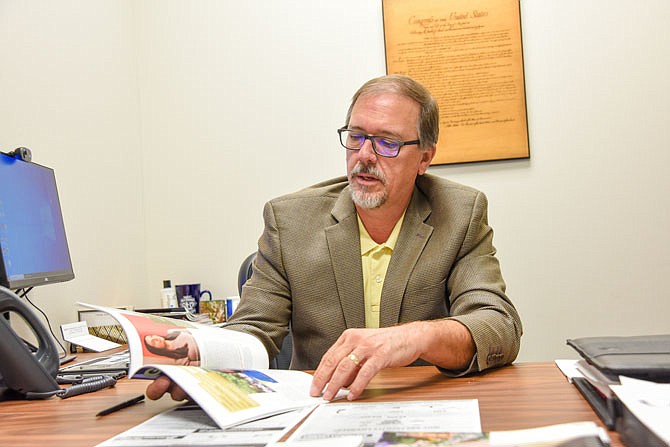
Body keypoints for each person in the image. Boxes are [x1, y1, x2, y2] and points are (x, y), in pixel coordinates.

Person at [147, 74, 522, 402]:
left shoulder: (459, 213)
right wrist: (203, 352)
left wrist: (410, 339)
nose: (364, 156)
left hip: (425, 404)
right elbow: (255, 329)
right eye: (356, 137)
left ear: (424, 158)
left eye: (387, 143)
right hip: (323, 407)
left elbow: (498, 326)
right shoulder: (290, 220)